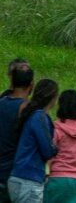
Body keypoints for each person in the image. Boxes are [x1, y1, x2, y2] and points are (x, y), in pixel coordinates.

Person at [7, 79, 58, 203]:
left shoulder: (31, 114)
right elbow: (48, 151)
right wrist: (57, 148)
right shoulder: (40, 117)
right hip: (29, 180)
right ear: (53, 97)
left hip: (18, 177)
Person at [0, 64, 32, 203]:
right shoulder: (26, 108)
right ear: (32, 84)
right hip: (14, 174)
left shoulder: (1, 102)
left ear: (12, 83)